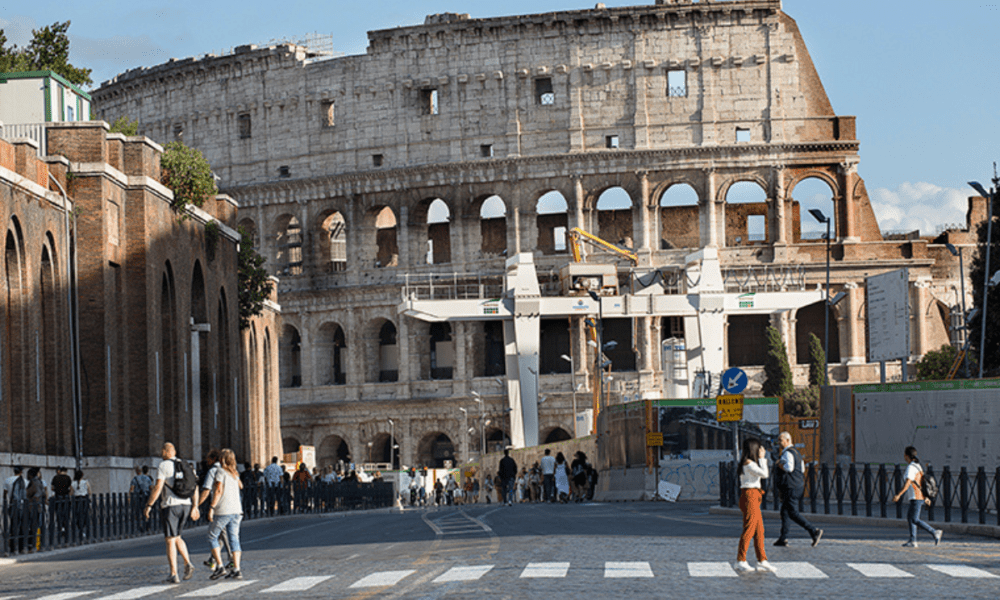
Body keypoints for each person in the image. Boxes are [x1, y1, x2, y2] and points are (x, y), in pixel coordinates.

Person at [144, 442, 199, 584]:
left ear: (166, 452)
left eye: (162, 451)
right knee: (177, 537)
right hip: (186, 505)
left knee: (169, 540)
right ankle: (188, 563)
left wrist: (149, 505)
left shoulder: (163, 466)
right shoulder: (187, 465)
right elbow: (195, 486)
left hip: (171, 506)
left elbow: (158, 488)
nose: (161, 454)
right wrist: (195, 506)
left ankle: (174, 573)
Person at [773, 432, 823, 548]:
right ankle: (783, 538)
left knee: (793, 513)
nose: (779, 443)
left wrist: (779, 464)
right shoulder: (797, 453)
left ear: (787, 440)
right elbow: (801, 469)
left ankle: (813, 531)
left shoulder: (787, 453)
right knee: (784, 512)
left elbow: (789, 468)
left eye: (781, 440)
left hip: (790, 486)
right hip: (797, 485)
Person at [735, 437, 776, 573]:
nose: (761, 450)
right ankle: (741, 560)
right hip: (750, 495)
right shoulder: (749, 464)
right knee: (750, 529)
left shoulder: (747, 462)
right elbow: (765, 474)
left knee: (759, 530)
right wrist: (763, 459)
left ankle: (762, 560)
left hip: (753, 495)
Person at [892, 446, 942, 548]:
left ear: (906, 456)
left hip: (916, 496)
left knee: (914, 519)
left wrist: (898, 495)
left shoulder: (911, 467)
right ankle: (913, 540)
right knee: (910, 518)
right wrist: (926, 497)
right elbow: (922, 483)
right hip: (919, 496)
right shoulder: (918, 466)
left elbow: (907, 484)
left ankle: (934, 532)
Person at [206, 449, 245, 580]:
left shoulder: (220, 471)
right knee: (234, 539)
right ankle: (237, 569)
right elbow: (241, 486)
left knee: (212, 536)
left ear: (222, 460)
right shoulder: (234, 473)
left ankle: (220, 566)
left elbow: (218, 490)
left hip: (224, 510)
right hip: (237, 511)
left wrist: (211, 507)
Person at [4, 466, 27, 552]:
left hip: (12, 505)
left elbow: (4, 494)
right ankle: (21, 547)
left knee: (13, 526)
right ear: (21, 472)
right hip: (22, 506)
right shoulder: (25, 481)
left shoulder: (7, 480)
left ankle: (12, 547)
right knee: (22, 526)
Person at [50, 466, 73, 543]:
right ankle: (65, 528)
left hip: (58, 497)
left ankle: (60, 527)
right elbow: (70, 488)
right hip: (65, 497)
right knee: (66, 514)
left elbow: (52, 488)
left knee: (58, 513)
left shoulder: (55, 478)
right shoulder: (68, 478)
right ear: (66, 471)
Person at [71, 469, 91, 540]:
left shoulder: (73, 483)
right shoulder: (86, 482)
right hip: (84, 499)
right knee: (85, 515)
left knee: (77, 515)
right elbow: (89, 491)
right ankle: (83, 529)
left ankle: (80, 528)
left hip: (76, 500)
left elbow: (71, 493)